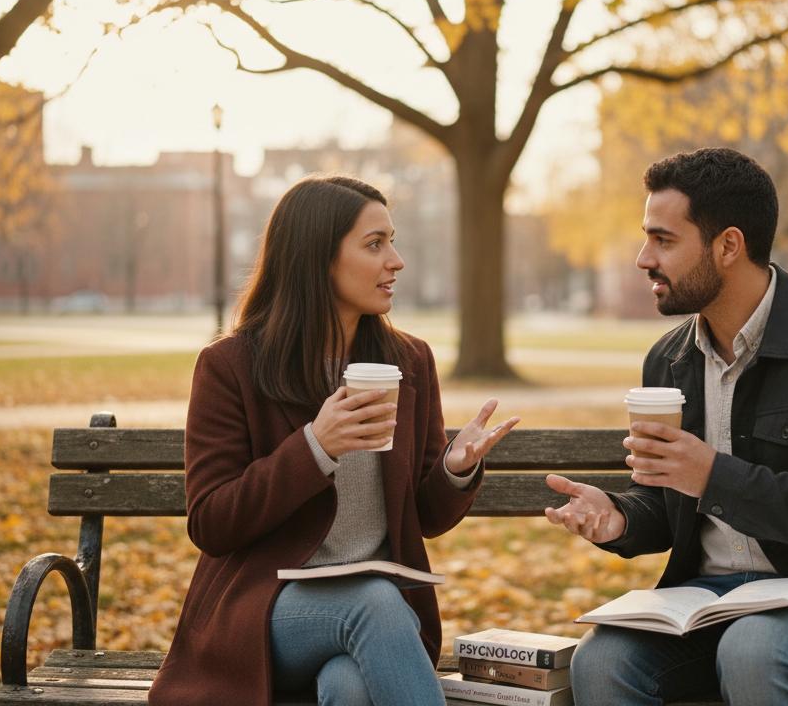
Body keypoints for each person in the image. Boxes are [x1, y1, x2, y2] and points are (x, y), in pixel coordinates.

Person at [543, 148, 788, 705]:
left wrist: (714, 477)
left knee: (755, 650)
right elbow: (667, 504)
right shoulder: (669, 360)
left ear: (728, 245)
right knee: (602, 661)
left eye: (663, 240)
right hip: (709, 601)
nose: (643, 258)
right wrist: (620, 518)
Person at [149, 175, 518, 705]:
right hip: (266, 611)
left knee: (350, 685)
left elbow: (425, 518)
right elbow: (212, 521)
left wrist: (455, 470)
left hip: (372, 624)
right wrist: (314, 448)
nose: (396, 261)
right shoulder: (231, 366)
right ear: (318, 258)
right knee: (375, 603)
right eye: (375, 244)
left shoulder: (409, 361)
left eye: (392, 241)